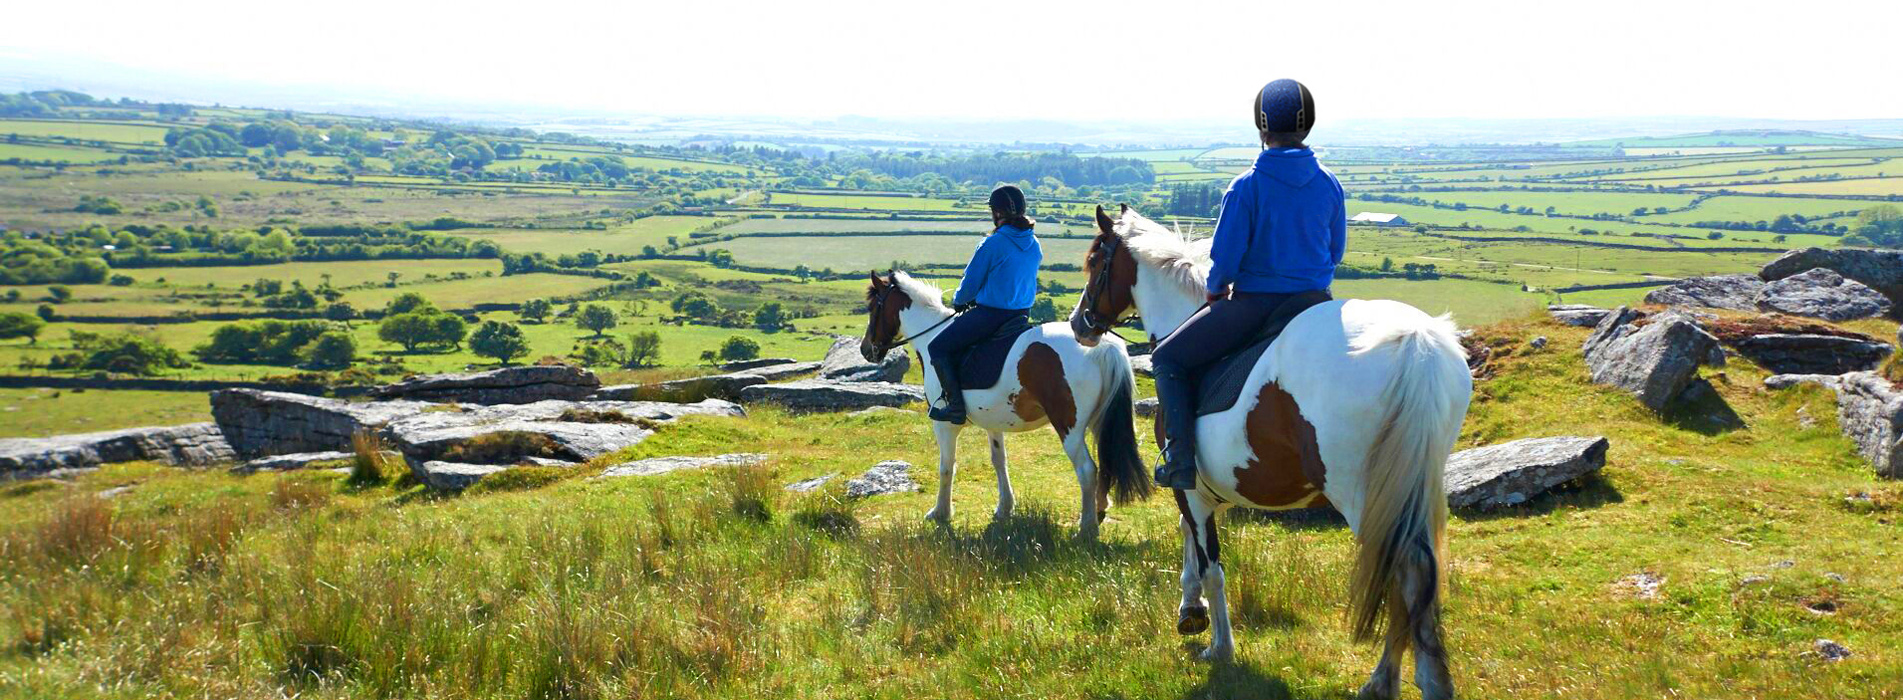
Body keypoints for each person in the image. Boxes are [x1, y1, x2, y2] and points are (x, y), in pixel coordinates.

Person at [1150, 78, 1346, 490]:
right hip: (1315, 303)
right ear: (1307, 126)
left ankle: (1181, 460)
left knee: (1168, 358)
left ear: (1262, 129)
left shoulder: (1247, 187)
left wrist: (1216, 289)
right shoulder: (1330, 184)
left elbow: (1226, 260)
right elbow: (1336, 251)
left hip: (1257, 304)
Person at [925, 184, 1043, 424]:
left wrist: (959, 302)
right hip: (1021, 316)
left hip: (991, 316)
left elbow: (969, 286)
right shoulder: (1034, 243)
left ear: (997, 213)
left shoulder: (992, 244)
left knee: (937, 348)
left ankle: (955, 408)